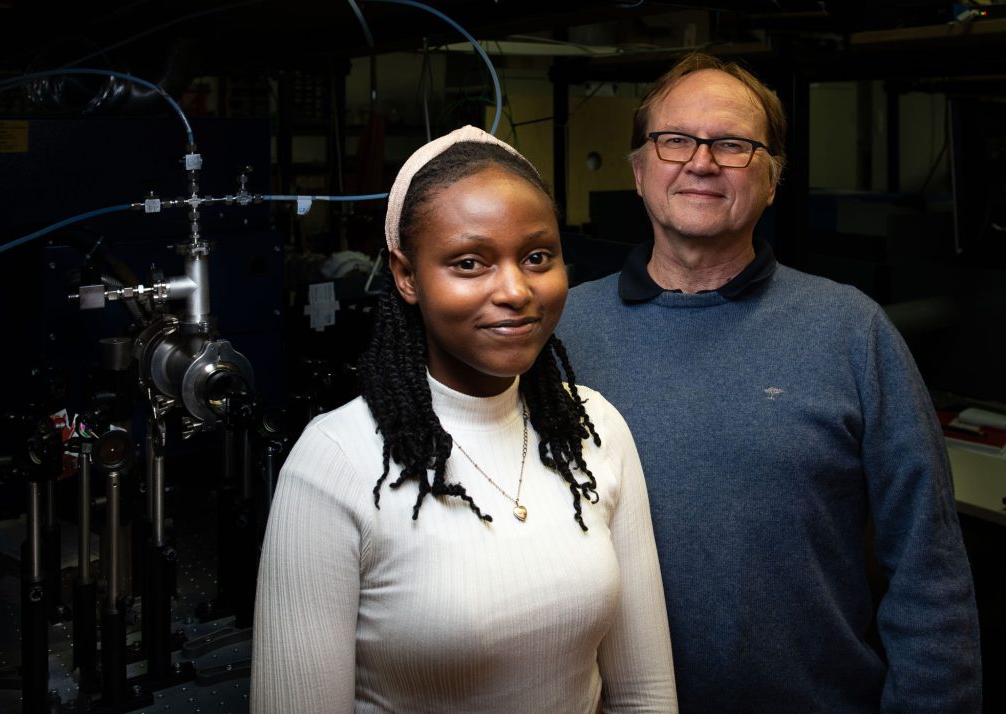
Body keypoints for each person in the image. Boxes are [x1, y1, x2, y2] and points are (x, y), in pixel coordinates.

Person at [555, 53, 982, 713]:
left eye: (733, 144)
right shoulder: (561, 336)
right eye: (675, 141)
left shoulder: (851, 332)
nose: (701, 162)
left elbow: (929, 570)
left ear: (773, 180)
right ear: (639, 170)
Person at [251, 125, 677, 713]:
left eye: (536, 257)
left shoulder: (594, 427)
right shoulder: (336, 461)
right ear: (406, 275)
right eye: (470, 262)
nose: (515, 290)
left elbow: (644, 694)